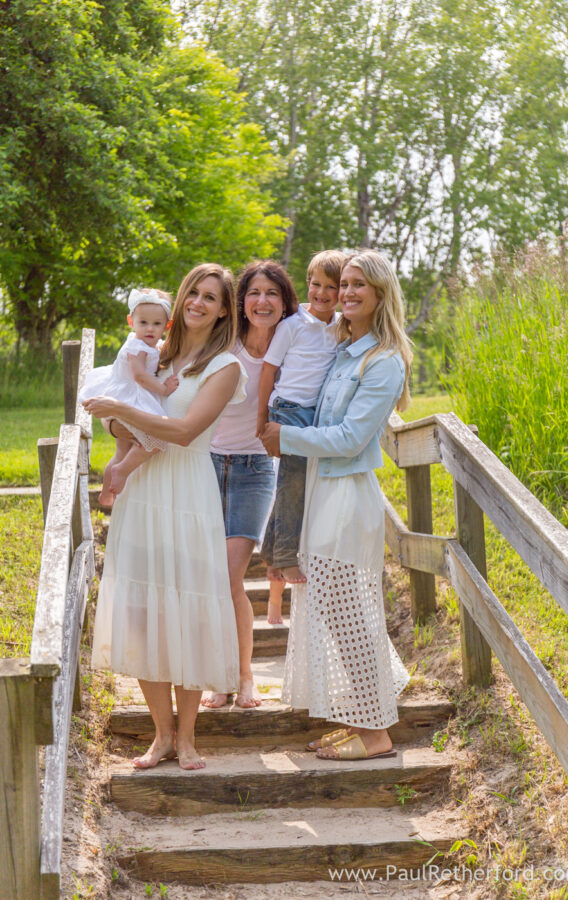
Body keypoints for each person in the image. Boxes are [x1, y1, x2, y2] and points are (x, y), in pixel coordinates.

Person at [83, 263, 246, 770]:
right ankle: (161, 736)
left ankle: (190, 737)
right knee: (144, 610)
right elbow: (112, 418)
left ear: (224, 309)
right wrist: (116, 418)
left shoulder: (226, 367)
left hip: (190, 490)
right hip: (144, 490)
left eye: (211, 297)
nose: (198, 302)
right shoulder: (152, 350)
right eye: (193, 292)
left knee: (192, 613)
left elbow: (183, 431)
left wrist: (120, 413)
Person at [261, 249, 412, 761]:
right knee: (332, 612)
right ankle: (358, 718)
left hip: (347, 499)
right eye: (342, 283)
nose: (345, 293)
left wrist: (287, 437)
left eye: (357, 286)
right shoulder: (344, 349)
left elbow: (349, 439)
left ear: (380, 294)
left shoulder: (383, 361)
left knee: (352, 616)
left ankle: (377, 736)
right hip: (322, 494)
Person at [202, 260, 298, 709]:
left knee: (228, 576)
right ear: (241, 301)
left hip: (256, 470)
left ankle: (244, 678)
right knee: (214, 580)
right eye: (254, 293)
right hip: (204, 465)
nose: (262, 301)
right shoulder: (225, 342)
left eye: (272, 294)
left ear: (284, 302)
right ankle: (220, 677)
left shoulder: (295, 344)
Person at [257, 250, 346, 585]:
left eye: (331, 287)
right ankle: (284, 557)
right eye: (315, 284)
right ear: (306, 284)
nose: (321, 293)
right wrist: (261, 419)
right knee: (293, 482)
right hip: (288, 409)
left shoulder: (340, 326)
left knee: (298, 482)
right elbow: (268, 372)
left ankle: (271, 548)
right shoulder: (292, 325)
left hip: (315, 415)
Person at [79, 289, 178, 507]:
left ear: (167, 326)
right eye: (143, 322)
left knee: (122, 450)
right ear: (131, 321)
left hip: (128, 395)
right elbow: (139, 376)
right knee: (154, 441)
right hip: (131, 397)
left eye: (156, 324)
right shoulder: (137, 346)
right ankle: (121, 471)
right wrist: (163, 389)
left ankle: (106, 494)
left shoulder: (152, 345)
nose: (149, 329)